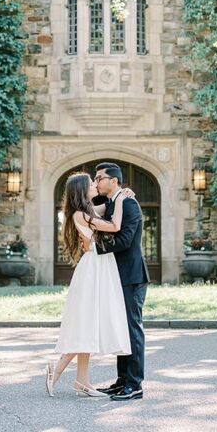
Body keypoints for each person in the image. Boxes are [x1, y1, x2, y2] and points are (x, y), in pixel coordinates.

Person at [45, 172, 132, 397]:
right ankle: (57, 370)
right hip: (94, 268)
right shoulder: (80, 215)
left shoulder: (88, 211)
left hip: (100, 265)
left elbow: (108, 208)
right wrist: (121, 198)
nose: (95, 184)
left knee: (90, 323)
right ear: (82, 190)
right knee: (87, 322)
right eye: (91, 182)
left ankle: (81, 381)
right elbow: (114, 226)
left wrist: (120, 196)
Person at [93, 161, 149, 401]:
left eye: (99, 178)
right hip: (117, 277)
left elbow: (125, 240)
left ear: (113, 180)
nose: (96, 182)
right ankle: (122, 380)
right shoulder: (112, 202)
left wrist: (95, 246)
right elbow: (89, 207)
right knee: (121, 329)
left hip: (132, 276)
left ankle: (135, 384)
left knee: (132, 329)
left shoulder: (129, 203)